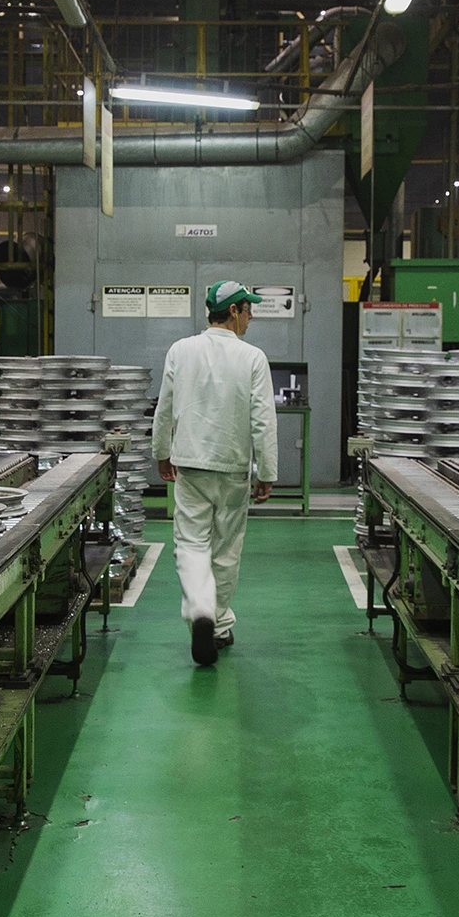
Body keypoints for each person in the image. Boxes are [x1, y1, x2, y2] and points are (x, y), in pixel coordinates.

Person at [151, 280, 278, 666]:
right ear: (235, 312)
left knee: (191, 544)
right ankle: (218, 622)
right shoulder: (253, 357)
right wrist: (267, 472)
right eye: (248, 310)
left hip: (190, 465)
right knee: (225, 549)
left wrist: (161, 453)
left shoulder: (180, 351)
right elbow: (264, 421)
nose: (252, 317)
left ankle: (203, 615)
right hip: (234, 468)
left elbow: (165, 407)